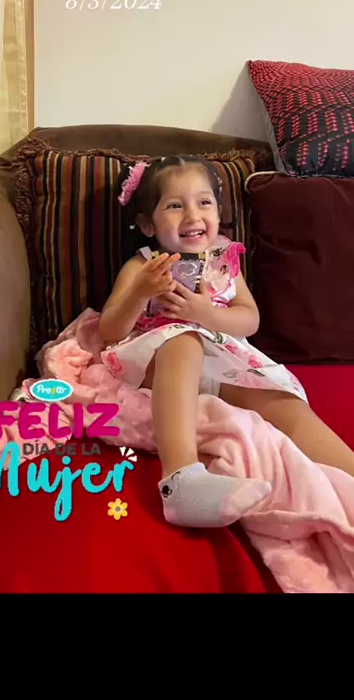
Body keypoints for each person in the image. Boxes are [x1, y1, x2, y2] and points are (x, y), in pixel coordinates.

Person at [98, 155, 354, 529]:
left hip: (223, 360)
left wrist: (207, 313)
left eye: (204, 202)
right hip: (162, 361)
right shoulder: (143, 266)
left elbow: (249, 319)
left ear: (218, 212)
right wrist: (140, 293)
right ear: (148, 224)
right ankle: (181, 479)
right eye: (175, 206)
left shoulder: (223, 260)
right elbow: (109, 329)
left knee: (282, 402)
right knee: (184, 339)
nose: (193, 215)